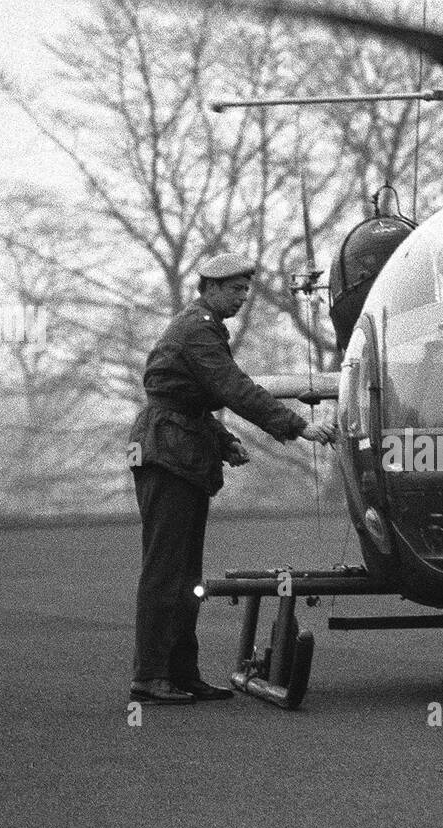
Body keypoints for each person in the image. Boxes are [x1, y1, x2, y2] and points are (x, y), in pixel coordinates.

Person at [127, 253, 334, 705]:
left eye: (246, 290)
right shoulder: (198, 330)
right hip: (167, 455)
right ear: (212, 287)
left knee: (186, 574)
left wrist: (222, 442)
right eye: (237, 290)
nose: (243, 298)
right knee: (166, 570)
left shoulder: (199, 327)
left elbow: (189, 398)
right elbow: (233, 389)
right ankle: (151, 675)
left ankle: (182, 673)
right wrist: (298, 426)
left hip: (178, 448)